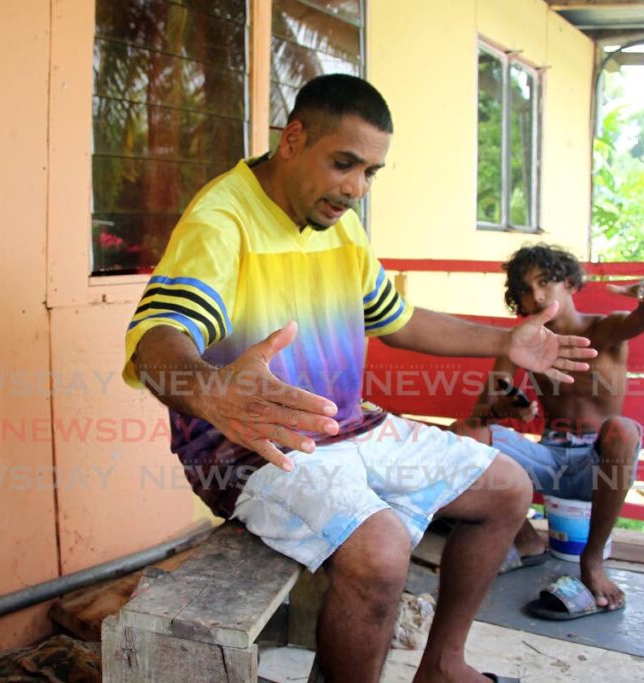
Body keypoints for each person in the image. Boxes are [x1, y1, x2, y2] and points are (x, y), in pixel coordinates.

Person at [122, 75, 596, 682]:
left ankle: (444, 666)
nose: (355, 188)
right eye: (344, 164)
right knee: (382, 548)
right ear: (292, 139)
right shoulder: (222, 220)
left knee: (508, 487)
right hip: (255, 447)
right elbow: (156, 337)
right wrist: (210, 390)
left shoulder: (336, 221)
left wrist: (505, 340)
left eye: (370, 172)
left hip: (347, 426)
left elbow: (395, 320)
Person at [450, 244, 644, 614]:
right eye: (526, 289)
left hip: (599, 463)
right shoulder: (518, 344)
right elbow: (481, 414)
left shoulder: (604, 329)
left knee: (623, 429)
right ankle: (524, 539)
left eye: (546, 282)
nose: (538, 296)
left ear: (571, 284)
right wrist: (503, 407)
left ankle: (592, 561)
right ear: (518, 302)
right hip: (548, 457)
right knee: (464, 432)